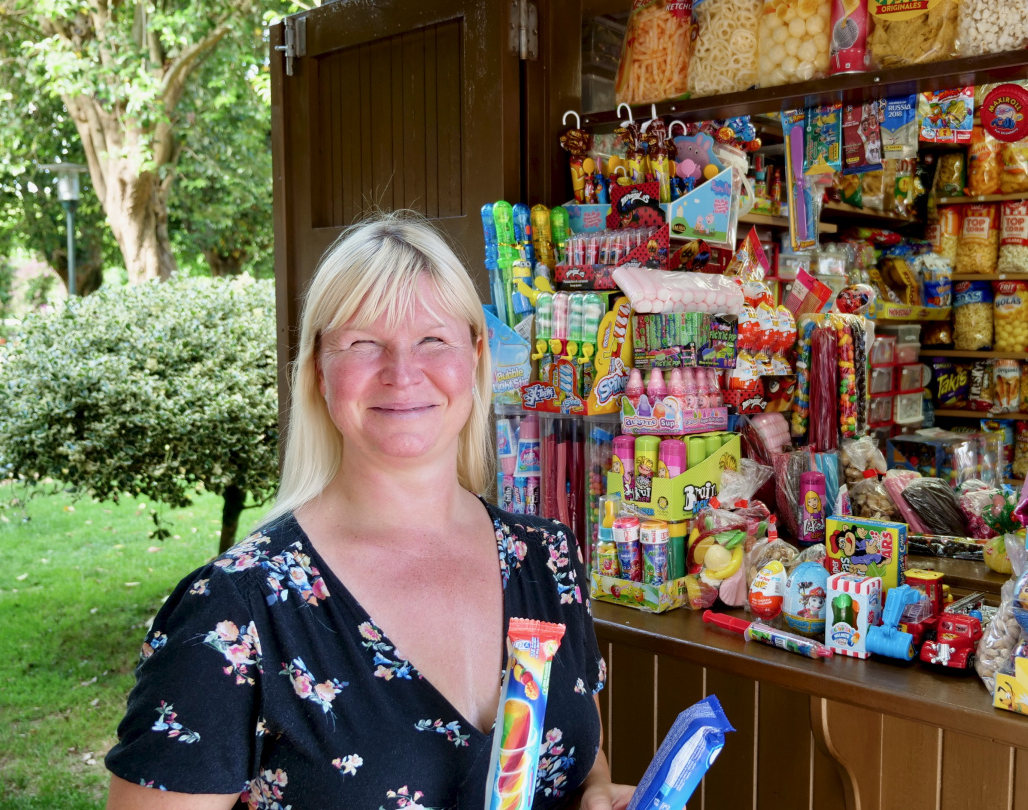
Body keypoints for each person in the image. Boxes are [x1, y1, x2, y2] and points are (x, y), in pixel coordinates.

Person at [104, 212, 632, 810]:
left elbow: (581, 756)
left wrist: (595, 794)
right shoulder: (233, 612)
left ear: (477, 355)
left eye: (433, 339)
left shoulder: (550, 558)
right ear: (319, 372)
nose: (402, 373)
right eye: (362, 343)